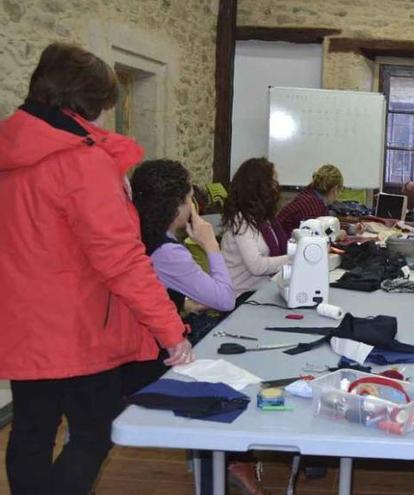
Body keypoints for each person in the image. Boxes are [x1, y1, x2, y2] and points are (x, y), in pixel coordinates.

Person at [0, 43, 192, 495]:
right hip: (78, 326)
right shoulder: (82, 163)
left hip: (23, 322)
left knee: (30, 430)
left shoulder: (13, 154)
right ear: (88, 102)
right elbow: (121, 259)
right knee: (93, 432)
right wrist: (171, 331)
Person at [130, 159, 235, 342]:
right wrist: (211, 244)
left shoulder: (141, 233)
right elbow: (225, 300)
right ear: (177, 206)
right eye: (190, 198)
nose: (192, 206)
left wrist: (184, 304)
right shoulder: (168, 252)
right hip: (156, 350)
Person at [221, 157, 290, 305]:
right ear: (260, 187)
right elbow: (257, 266)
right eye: (272, 182)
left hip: (261, 291)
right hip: (241, 297)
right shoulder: (240, 221)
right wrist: (294, 258)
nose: (276, 187)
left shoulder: (265, 218)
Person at [276, 163, 344, 235]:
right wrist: (337, 235)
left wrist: (349, 228)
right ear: (335, 189)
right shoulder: (315, 207)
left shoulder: (309, 195)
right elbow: (320, 236)